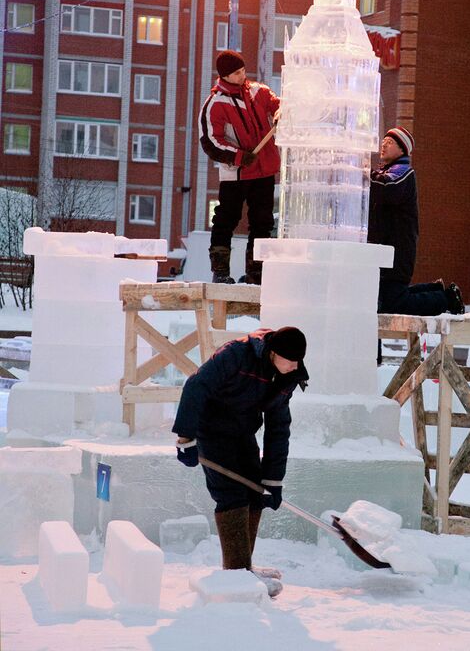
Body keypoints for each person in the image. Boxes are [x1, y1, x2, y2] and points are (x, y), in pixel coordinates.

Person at [173, 326, 308, 597]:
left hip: (242, 431)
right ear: (273, 354)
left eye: (298, 361)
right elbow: (196, 385)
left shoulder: (287, 375)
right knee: (232, 495)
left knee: (256, 491)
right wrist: (186, 438)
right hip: (211, 428)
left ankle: (242, 568)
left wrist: (273, 480)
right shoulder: (236, 354)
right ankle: (237, 575)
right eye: (290, 360)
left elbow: (278, 427)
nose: (295, 366)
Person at [200, 50, 280, 285]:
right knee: (226, 219)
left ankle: (257, 273)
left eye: (243, 70)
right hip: (235, 173)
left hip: (263, 170)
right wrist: (238, 157)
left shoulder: (258, 91)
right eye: (237, 73)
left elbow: (278, 104)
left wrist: (279, 113)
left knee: (262, 222)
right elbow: (210, 140)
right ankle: (221, 271)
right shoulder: (215, 103)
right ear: (224, 75)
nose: (242, 76)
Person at [368, 126, 465, 316]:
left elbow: (389, 188)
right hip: (388, 251)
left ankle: (445, 300)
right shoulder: (388, 172)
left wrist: (364, 174)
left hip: (397, 252)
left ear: (402, 149)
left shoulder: (403, 172)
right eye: (383, 142)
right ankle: (436, 291)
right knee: (389, 297)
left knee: (392, 302)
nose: (384, 145)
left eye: (390, 143)